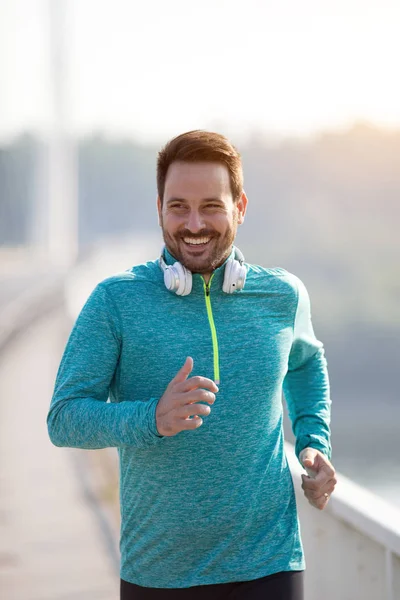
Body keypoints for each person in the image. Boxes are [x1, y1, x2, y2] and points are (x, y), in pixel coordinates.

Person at [47, 130, 337, 600]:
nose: (194, 223)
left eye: (212, 206)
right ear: (158, 207)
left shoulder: (283, 296)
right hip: (160, 574)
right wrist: (151, 419)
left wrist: (313, 442)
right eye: (178, 205)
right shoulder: (115, 301)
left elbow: (305, 363)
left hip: (271, 566)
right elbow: (64, 419)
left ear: (240, 207)